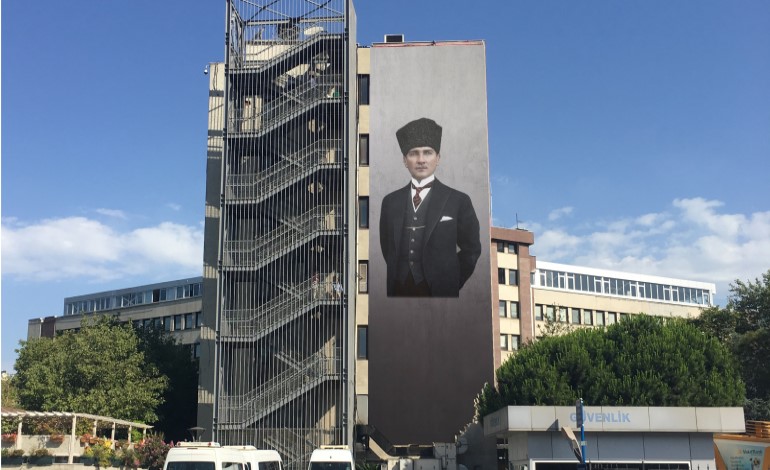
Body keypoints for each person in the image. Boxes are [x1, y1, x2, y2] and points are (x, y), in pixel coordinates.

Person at [379, 117, 481, 298]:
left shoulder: (459, 200)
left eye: (428, 152)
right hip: (398, 292)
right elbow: (388, 249)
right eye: (413, 153)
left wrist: (451, 281)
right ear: (404, 160)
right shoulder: (390, 202)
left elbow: (472, 249)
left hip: (440, 293)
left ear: (438, 158)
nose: (421, 160)